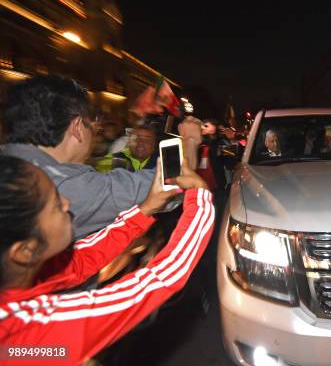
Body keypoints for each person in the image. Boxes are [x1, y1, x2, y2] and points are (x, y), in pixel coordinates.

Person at [0, 155, 213, 364]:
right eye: (56, 205)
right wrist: (200, 198)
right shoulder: (33, 335)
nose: (66, 203)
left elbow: (82, 260)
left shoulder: (19, 277)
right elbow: (153, 284)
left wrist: (145, 210)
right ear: (25, 250)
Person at [1, 75, 202, 238]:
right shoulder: (64, 187)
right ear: (78, 128)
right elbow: (174, 183)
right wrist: (191, 140)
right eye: (92, 125)